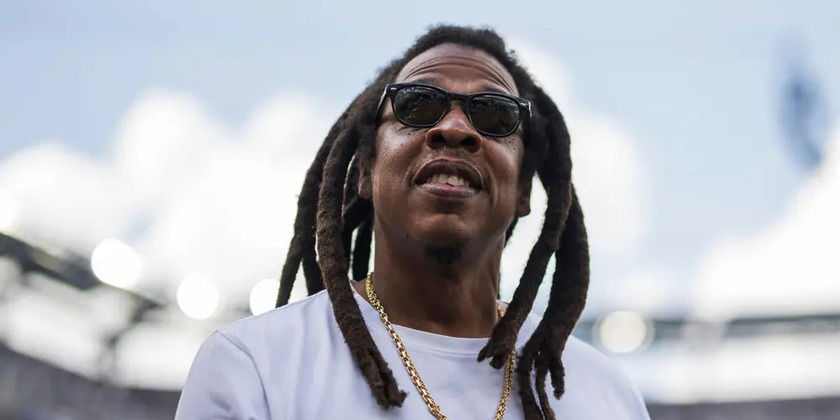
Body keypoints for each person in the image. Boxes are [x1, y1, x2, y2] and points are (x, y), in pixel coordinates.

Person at [175, 25, 650, 420]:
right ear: (365, 170)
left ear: (524, 192)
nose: (456, 129)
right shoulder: (252, 367)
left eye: (494, 115)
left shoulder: (607, 398)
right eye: (418, 106)